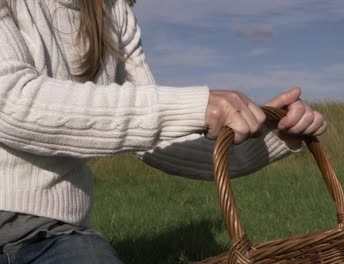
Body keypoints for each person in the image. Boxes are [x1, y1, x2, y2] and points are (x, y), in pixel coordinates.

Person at [0, 0, 327, 263]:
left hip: (55, 235)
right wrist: (196, 104)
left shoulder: (114, 13)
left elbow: (161, 139)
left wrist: (274, 135)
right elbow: (11, 102)